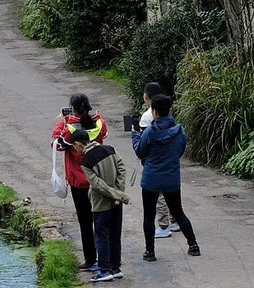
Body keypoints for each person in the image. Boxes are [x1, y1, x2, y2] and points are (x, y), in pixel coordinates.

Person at [132, 94, 201, 261]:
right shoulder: (179, 131)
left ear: (154, 112)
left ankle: (150, 252)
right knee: (178, 212)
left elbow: (140, 152)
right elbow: (180, 151)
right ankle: (193, 245)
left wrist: (135, 136)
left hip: (151, 178)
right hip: (171, 177)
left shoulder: (149, 132)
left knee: (148, 216)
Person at [52, 93, 108, 272]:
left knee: (85, 222)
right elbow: (102, 134)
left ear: (73, 109)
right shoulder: (100, 125)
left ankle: (90, 259)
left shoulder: (69, 131)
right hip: (98, 179)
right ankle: (107, 258)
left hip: (79, 182)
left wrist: (61, 122)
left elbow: (56, 144)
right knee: (101, 220)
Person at [72, 129, 129, 282]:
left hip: (101, 204)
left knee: (102, 236)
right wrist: (118, 192)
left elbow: (97, 185)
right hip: (117, 202)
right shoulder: (109, 149)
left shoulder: (86, 162)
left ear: (78, 145)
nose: (75, 150)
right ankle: (115, 268)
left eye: (74, 147)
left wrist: (115, 194)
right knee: (115, 234)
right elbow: (122, 169)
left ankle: (104, 270)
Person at [139, 82, 180, 239]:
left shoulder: (147, 116)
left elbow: (143, 145)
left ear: (146, 97)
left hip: (154, 161)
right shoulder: (168, 114)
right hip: (169, 159)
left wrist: (136, 138)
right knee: (170, 192)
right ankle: (174, 220)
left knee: (159, 195)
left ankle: (163, 226)